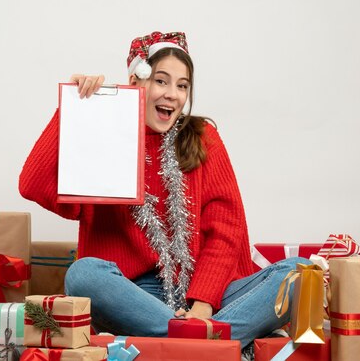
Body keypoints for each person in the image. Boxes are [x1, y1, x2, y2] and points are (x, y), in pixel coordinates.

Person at [19, 31, 308, 348]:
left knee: (300, 274)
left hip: (207, 293)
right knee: (82, 275)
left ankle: (186, 343)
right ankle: (209, 345)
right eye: (161, 81)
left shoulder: (202, 137)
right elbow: (32, 183)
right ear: (136, 81)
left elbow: (226, 228)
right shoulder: (103, 134)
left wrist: (203, 305)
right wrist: (74, 109)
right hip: (134, 298)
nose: (172, 94)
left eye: (182, 85)